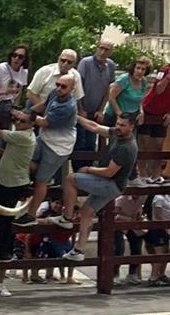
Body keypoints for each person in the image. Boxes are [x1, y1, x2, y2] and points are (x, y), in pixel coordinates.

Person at [62, 114, 138, 262]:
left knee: (70, 179)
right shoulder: (117, 133)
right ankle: (78, 250)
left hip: (111, 184)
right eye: (118, 123)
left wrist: (88, 169)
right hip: (113, 184)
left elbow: (109, 172)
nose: (118, 127)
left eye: (123, 125)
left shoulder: (127, 147)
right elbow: (94, 126)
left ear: (131, 127)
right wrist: (77, 117)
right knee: (87, 211)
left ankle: (67, 217)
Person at [0, 108, 36, 296]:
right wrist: (0, 151)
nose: (18, 123)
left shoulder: (24, 137)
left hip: (10, 187)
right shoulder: (22, 137)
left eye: (22, 121)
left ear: (30, 125)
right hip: (7, 185)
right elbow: (15, 153)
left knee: (0, 232)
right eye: (18, 121)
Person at [15, 74, 80, 229]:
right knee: (22, 158)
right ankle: (46, 175)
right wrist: (27, 110)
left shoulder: (68, 107)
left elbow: (44, 121)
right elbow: (43, 105)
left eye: (63, 86)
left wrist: (24, 116)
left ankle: (30, 216)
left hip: (58, 146)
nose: (58, 88)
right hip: (44, 139)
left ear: (72, 89)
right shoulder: (54, 93)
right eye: (57, 84)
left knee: (40, 181)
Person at [0, 44, 29, 182]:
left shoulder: (23, 72)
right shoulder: (1, 68)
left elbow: (19, 90)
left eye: (20, 57)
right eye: (14, 55)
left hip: (7, 108)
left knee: (5, 143)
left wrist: (16, 106)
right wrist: (5, 92)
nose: (16, 59)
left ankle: (1, 178)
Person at [106, 58, 152, 182]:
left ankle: (131, 176)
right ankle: (109, 173)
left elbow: (139, 99)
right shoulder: (124, 79)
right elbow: (111, 97)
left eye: (143, 69)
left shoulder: (143, 81)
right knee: (115, 145)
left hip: (131, 118)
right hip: (116, 116)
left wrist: (141, 111)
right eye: (138, 68)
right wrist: (119, 114)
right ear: (133, 68)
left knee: (131, 145)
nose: (140, 71)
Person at [141, 62, 170, 183]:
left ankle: (156, 175)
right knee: (143, 143)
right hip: (149, 108)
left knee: (158, 146)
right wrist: (168, 78)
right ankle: (141, 174)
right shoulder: (164, 70)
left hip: (163, 113)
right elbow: (158, 90)